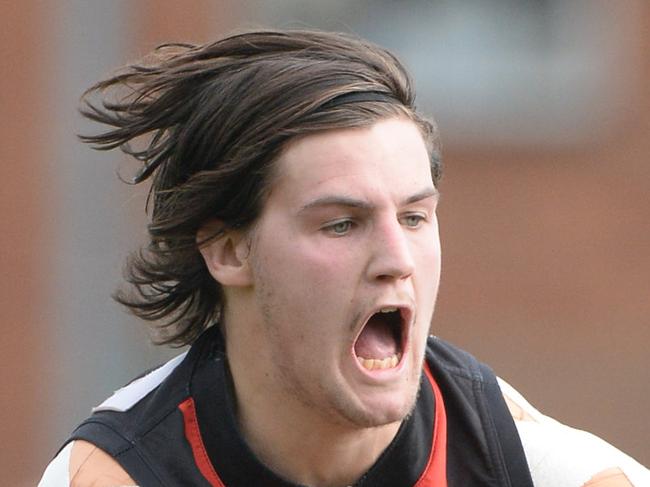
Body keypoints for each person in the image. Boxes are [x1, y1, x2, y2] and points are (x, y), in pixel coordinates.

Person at [40, 29, 649, 487]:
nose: (396, 258)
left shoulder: (546, 472)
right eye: (341, 223)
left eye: (414, 217)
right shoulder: (115, 473)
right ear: (227, 250)